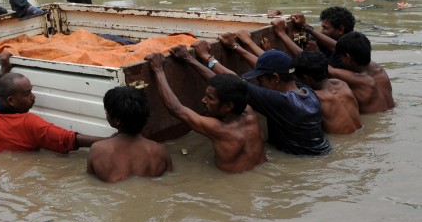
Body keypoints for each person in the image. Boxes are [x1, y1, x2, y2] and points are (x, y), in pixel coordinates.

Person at [195, 41, 331, 156]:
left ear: (275, 78)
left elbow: (233, 83)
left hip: (302, 159)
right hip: (320, 152)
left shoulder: (281, 101)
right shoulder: (306, 90)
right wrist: (236, 46)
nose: (259, 85)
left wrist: (207, 57)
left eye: (260, 80)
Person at [146, 50, 265, 173]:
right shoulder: (248, 112)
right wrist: (189, 58)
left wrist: (158, 70)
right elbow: (223, 84)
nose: (203, 100)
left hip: (231, 182)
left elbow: (175, 109)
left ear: (228, 106)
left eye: (210, 98)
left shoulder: (220, 129)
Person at [0, 52, 104, 154]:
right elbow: (67, 139)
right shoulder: (29, 123)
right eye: (27, 94)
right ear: (11, 101)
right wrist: (110, 141)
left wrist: (2, 71)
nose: (33, 97)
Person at [87, 85, 172, 182]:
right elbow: (170, 180)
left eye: (107, 111)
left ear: (117, 120)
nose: (106, 113)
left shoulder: (98, 150)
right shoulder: (160, 151)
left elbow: (91, 183)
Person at [292, 50, 362, 134]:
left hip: (344, 141)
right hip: (361, 133)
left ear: (306, 79)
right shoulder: (341, 83)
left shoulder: (314, 97)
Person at [329, 31, 394, 114]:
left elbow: (326, 69)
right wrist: (309, 30)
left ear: (348, 58)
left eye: (341, 56)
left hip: (373, 125)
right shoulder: (378, 69)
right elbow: (336, 47)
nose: (340, 59)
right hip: (389, 116)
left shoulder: (359, 80)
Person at [290, 6, 355, 64]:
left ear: (340, 30)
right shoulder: (325, 42)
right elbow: (311, 35)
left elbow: (327, 72)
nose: (321, 32)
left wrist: (316, 53)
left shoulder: (349, 53)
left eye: (325, 28)